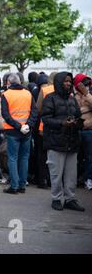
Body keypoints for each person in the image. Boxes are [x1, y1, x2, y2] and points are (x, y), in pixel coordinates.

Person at [41, 72, 85, 211]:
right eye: (66, 81)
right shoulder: (50, 98)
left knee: (71, 174)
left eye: (70, 81)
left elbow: (78, 115)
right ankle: (56, 198)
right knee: (56, 173)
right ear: (59, 82)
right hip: (55, 142)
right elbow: (46, 119)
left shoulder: (72, 99)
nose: (68, 83)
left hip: (72, 141)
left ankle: (70, 199)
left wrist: (78, 123)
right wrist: (62, 123)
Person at [1, 74, 38, 194]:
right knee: (24, 158)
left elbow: (6, 115)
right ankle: (22, 185)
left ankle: (14, 186)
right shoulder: (28, 93)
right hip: (27, 131)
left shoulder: (6, 95)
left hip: (13, 131)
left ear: (8, 82)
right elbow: (34, 111)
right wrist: (28, 125)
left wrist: (19, 126)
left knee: (12, 158)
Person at [73, 74, 92, 190]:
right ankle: (76, 178)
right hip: (76, 130)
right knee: (76, 157)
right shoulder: (73, 96)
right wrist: (87, 109)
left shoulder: (89, 94)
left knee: (89, 157)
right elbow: (73, 110)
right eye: (82, 83)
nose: (85, 85)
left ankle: (88, 179)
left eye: (87, 83)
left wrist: (87, 94)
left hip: (89, 131)